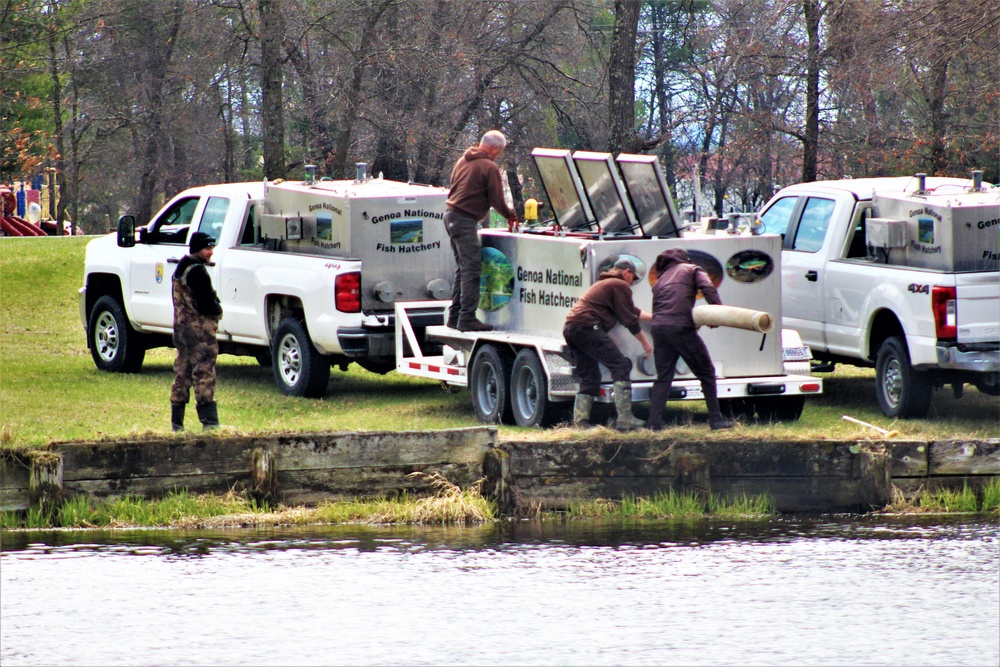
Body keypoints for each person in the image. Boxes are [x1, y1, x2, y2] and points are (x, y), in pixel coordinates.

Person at [645, 247, 734, 431]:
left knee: (664, 377)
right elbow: (708, 288)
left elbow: (667, 306)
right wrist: (717, 312)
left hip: (659, 328)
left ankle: (654, 423)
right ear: (684, 259)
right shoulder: (692, 269)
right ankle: (716, 420)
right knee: (707, 373)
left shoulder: (660, 280)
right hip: (680, 328)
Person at [563, 258, 653, 430]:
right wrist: (645, 343)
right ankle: (625, 419)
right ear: (627, 272)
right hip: (588, 326)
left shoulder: (605, 284)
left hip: (572, 328)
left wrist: (654, 317)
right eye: (633, 278)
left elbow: (631, 311)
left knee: (590, 376)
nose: (632, 282)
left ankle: (580, 424)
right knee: (621, 365)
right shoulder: (620, 285)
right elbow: (629, 320)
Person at [444, 130, 518, 332]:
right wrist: (511, 215)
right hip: (464, 220)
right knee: (472, 269)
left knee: (463, 267)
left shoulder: (463, 160)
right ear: (494, 148)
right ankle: (467, 319)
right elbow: (496, 200)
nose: (498, 155)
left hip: (451, 216)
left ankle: (454, 317)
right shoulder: (489, 166)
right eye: (499, 151)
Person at [170, 231, 223, 431]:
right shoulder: (197, 272)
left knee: (182, 372)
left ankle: (177, 424)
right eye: (208, 248)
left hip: (181, 329)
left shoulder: (181, 268)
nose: (211, 253)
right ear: (198, 249)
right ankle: (210, 423)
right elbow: (206, 304)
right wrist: (217, 308)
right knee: (204, 372)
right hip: (199, 332)